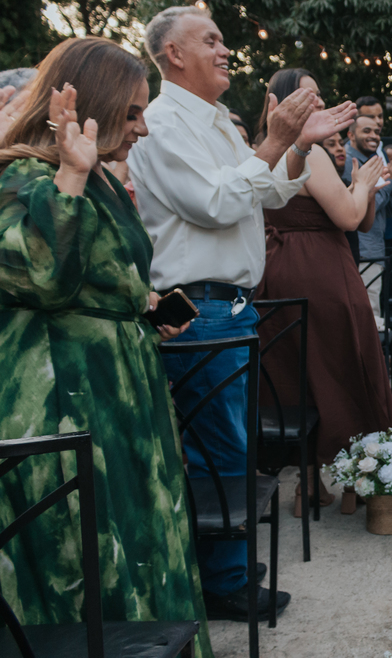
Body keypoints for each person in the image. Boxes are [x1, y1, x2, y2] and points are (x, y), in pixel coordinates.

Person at [127, 5, 354, 621]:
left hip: (231, 306)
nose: (225, 49)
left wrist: (298, 146)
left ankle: (226, 568)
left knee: (233, 444)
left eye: (224, 40)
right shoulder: (164, 123)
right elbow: (216, 204)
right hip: (196, 308)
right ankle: (223, 583)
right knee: (216, 448)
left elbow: (271, 192)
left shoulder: (216, 122)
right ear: (174, 54)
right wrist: (277, 138)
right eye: (211, 40)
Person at [0, 38, 212, 656]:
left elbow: (103, 273)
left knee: (140, 544)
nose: (143, 127)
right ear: (91, 108)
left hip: (118, 395)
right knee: (88, 559)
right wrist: (70, 173)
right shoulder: (17, 175)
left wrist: (142, 306)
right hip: (64, 404)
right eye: (132, 113)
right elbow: (42, 276)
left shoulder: (100, 179)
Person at [254, 69, 392, 515]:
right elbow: (349, 219)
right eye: (309, 96)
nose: (318, 103)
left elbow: (360, 217)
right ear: (282, 101)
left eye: (319, 96)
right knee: (344, 371)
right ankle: (360, 477)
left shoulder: (263, 150)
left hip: (277, 271)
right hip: (320, 270)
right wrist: (362, 186)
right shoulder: (311, 153)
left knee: (296, 377)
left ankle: (310, 485)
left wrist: (363, 188)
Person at [344, 116, 392, 330]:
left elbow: (389, 210)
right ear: (351, 135)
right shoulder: (349, 162)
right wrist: (391, 179)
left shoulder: (374, 161)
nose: (373, 136)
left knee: (373, 315)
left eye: (376, 131)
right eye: (367, 131)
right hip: (362, 249)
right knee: (369, 318)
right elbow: (366, 204)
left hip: (374, 247)